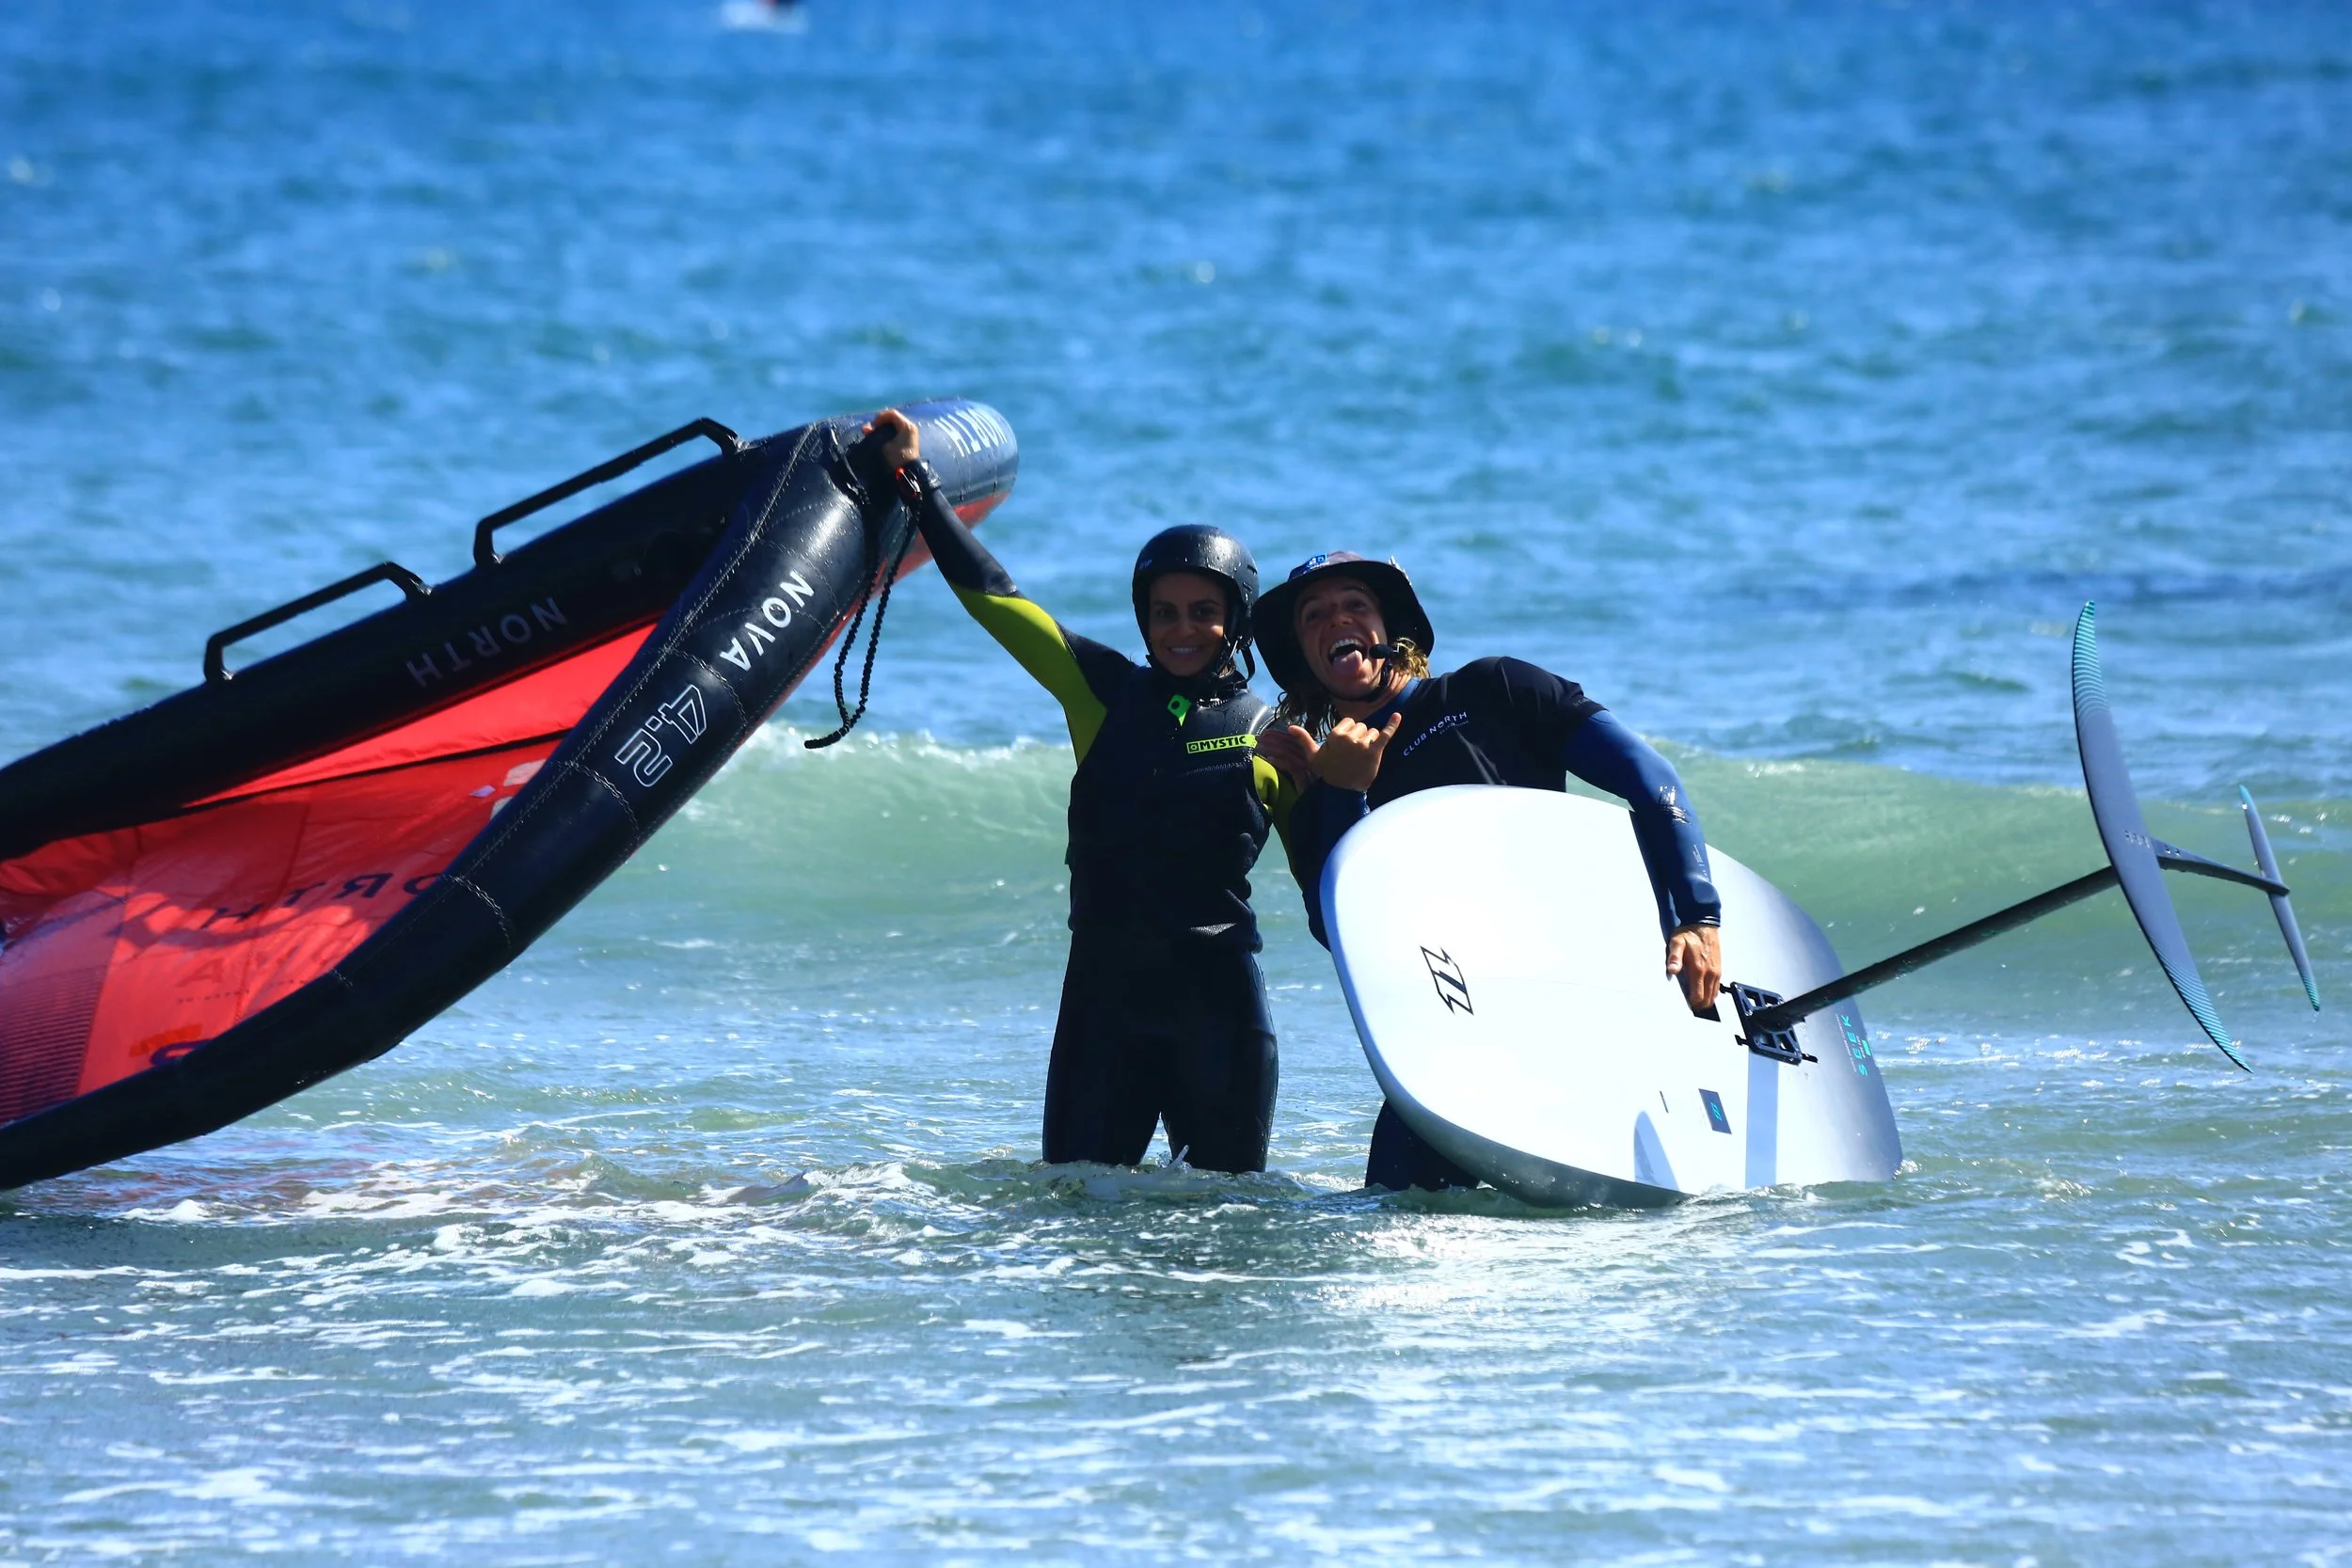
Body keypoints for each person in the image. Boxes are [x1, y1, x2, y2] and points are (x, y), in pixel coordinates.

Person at [855, 409, 1301, 1175]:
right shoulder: (1102, 694)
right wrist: (916, 483)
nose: (1182, 628)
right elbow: (997, 599)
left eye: (1203, 611)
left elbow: (1344, 867)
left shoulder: (1274, 732)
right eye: (1164, 613)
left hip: (1219, 1018)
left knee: (1226, 1234)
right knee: (1078, 1226)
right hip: (1104, 1014)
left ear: (1237, 620)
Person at [1254, 551, 1724, 1193]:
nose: (1337, 619)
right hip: (1451, 1046)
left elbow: (1650, 781)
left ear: (1394, 629)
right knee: (1389, 1223)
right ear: (1301, 655)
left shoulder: (1494, 691)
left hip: (1567, 997)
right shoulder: (1324, 793)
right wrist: (1339, 795)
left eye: (1355, 604)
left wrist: (1696, 916)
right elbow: (1342, 936)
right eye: (1314, 615)